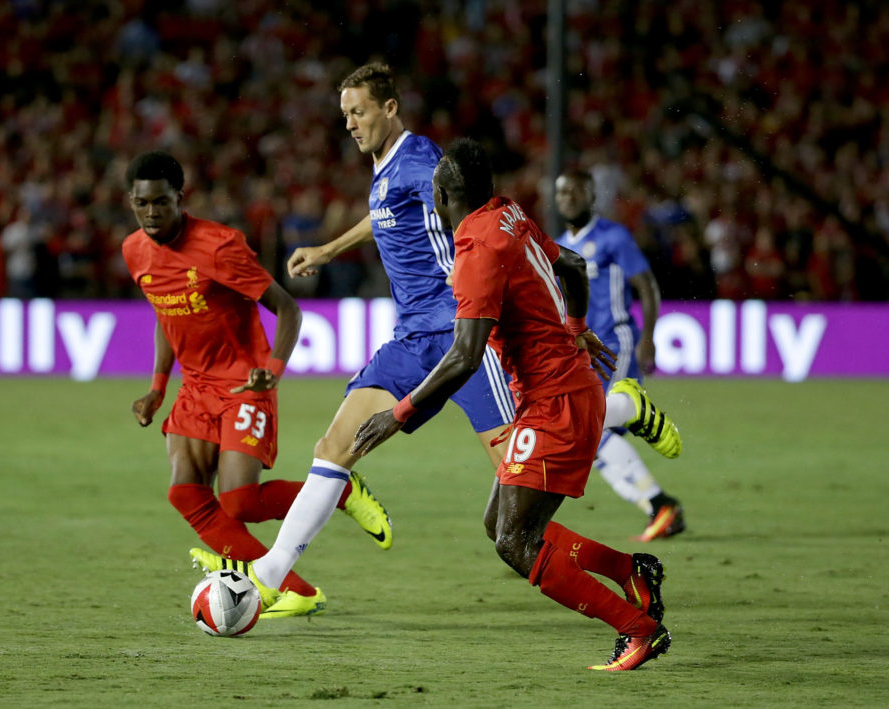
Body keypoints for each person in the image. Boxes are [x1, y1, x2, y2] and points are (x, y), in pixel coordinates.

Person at [354, 138, 671, 671]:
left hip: (556, 403)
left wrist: (399, 413)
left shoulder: (478, 251)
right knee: (499, 524)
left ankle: (638, 629)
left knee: (515, 543)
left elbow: (464, 356)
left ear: (440, 197)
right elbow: (573, 264)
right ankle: (630, 571)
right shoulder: (508, 213)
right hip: (555, 393)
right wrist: (575, 327)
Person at [190, 63, 515, 577]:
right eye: (345, 114)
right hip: (412, 341)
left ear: (390, 108)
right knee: (335, 447)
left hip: (463, 336)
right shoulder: (386, 166)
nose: (349, 124)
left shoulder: (420, 161)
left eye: (358, 112)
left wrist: (487, 275)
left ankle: (612, 413)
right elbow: (386, 215)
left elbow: (473, 218)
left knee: (520, 481)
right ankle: (270, 576)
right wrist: (328, 249)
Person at [121, 150, 389, 619]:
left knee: (240, 502)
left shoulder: (218, 246)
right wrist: (158, 388)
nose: (151, 213)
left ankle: (342, 492)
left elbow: (288, 308)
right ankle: (295, 589)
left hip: (244, 381)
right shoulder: (134, 250)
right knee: (185, 493)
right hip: (195, 387)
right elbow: (165, 312)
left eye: (161, 202)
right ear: (132, 202)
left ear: (179, 198)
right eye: (142, 203)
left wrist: (273, 369)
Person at [554, 170, 686, 542]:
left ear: (591, 195)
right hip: (582, 353)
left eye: (577, 190)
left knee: (587, 427)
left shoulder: (613, 237)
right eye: (562, 192)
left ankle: (658, 503)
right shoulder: (558, 245)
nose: (569, 197)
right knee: (586, 438)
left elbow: (647, 285)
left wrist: (649, 338)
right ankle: (659, 506)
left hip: (615, 343)